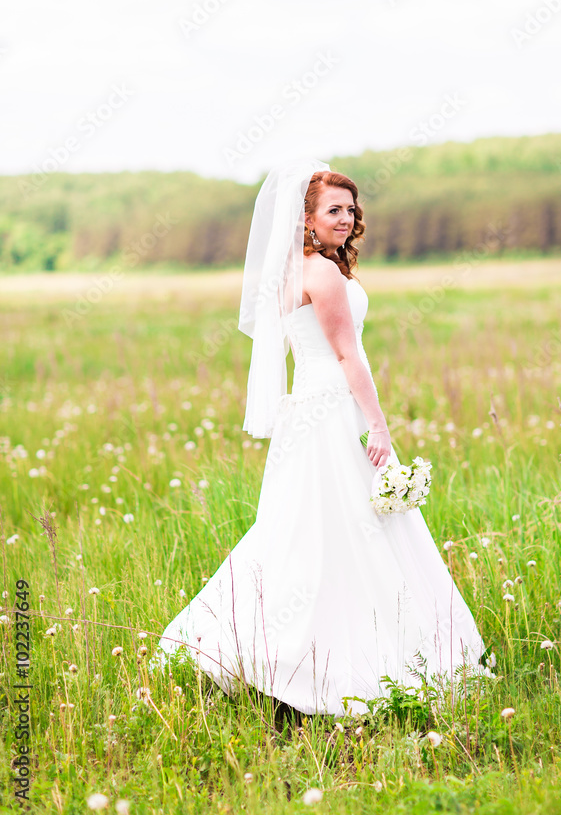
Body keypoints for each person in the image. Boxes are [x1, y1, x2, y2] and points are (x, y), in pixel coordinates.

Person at [152, 158, 487, 717]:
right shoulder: (325, 274)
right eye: (333, 210)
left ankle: (275, 645)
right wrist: (378, 425)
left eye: (351, 209)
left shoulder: (296, 271)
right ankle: (333, 653)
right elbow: (346, 354)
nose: (346, 218)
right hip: (335, 411)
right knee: (346, 529)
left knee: (304, 529)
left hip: (306, 412)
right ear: (305, 219)